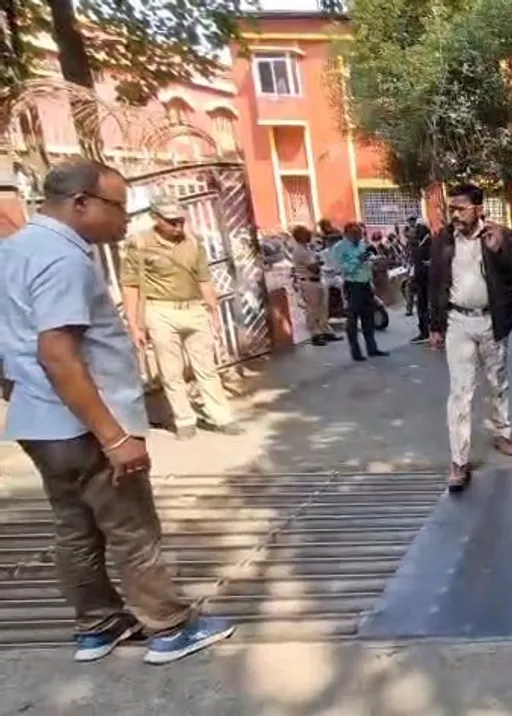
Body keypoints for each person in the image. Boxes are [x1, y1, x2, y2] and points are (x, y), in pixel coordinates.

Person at [0, 159, 234, 664]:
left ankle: (98, 624)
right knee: (131, 528)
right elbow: (58, 353)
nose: (126, 218)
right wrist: (113, 436)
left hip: (40, 421)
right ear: (80, 202)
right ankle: (168, 627)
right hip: (84, 423)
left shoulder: (15, 251)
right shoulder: (60, 260)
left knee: (74, 527)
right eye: (118, 206)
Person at [426, 183, 512, 490]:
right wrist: (434, 325)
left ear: (479, 209)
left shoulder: (500, 236)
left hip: (492, 322)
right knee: (460, 392)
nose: (455, 214)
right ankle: (459, 461)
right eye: (452, 208)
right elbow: (433, 284)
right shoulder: (442, 240)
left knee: (497, 383)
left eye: (461, 208)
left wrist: (502, 252)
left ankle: (502, 433)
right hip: (457, 322)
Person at [120, 195, 242, 440]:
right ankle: (185, 419)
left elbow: (204, 280)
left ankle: (221, 416)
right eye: (171, 221)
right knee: (171, 370)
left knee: (207, 367)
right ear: (156, 218)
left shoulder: (193, 244)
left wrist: (213, 312)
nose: (178, 227)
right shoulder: (139, 244)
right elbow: (130, 286)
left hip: (194, 309)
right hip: (160, 310)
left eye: (180, 221)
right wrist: (134, 325)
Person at [330, 222, 388, 362]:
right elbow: (340, 268)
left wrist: (372, 262)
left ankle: (372, 348)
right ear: (348, 233)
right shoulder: (339, 248)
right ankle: (355, 351)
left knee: (368, 317)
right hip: (352, 285)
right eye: (355, 234)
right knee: (353, 319)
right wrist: (357, 260)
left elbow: (366, 264)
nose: (359, 236)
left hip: (365, 284)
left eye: (360, 233)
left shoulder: (362, 245)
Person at [289, 225, 331, 346]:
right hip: (309, 281)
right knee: (313, 309)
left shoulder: (308, 248)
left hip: (318, 280)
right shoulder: (300, 251)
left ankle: (325, 330)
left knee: (323, 307)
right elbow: (313, 267)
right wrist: (319, 263)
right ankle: (315, 334)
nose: (309, 236)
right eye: (307, 234)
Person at [409, 218, 432, 342]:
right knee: (421, 306)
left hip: (429, 279)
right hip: (419, 279)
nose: (417, 229)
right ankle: (424, 331)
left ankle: (433, 330)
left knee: (431, 306)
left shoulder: (430, 242)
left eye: (419, 227)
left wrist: (430, 263)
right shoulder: (417, 242)